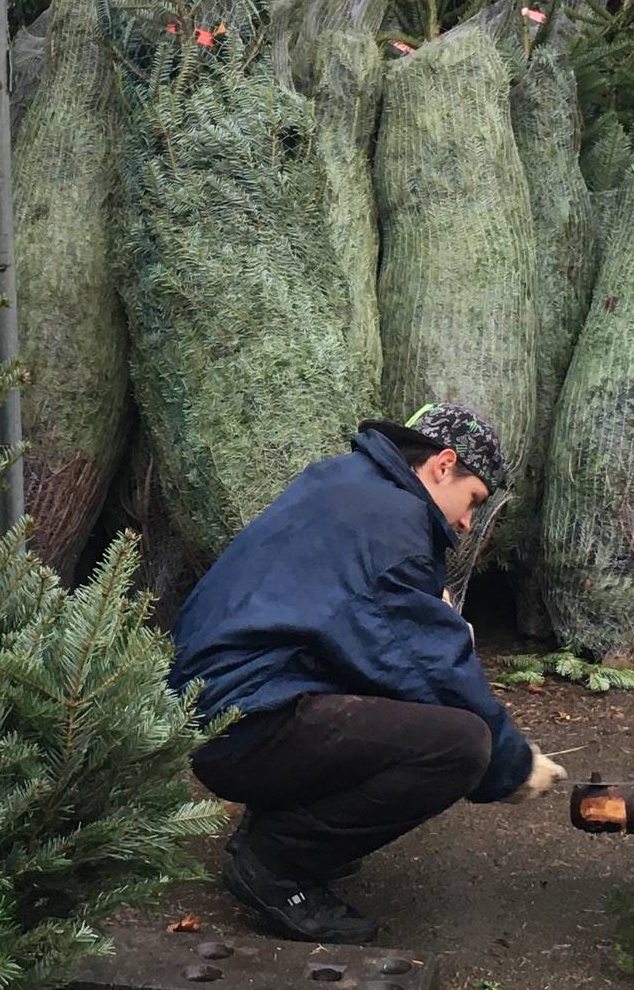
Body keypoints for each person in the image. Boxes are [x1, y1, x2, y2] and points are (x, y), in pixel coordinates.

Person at [168, 404, 566, 944]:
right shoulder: (392, 523)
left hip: (221, 703)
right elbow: (431, 668)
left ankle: (276, 831)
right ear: (442, 465)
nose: (469, 523)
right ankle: (275, 863)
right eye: (473, 500)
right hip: (244, 722)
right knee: (459, 744)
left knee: (397, 706)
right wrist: (511, 764)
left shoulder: (347, 483)